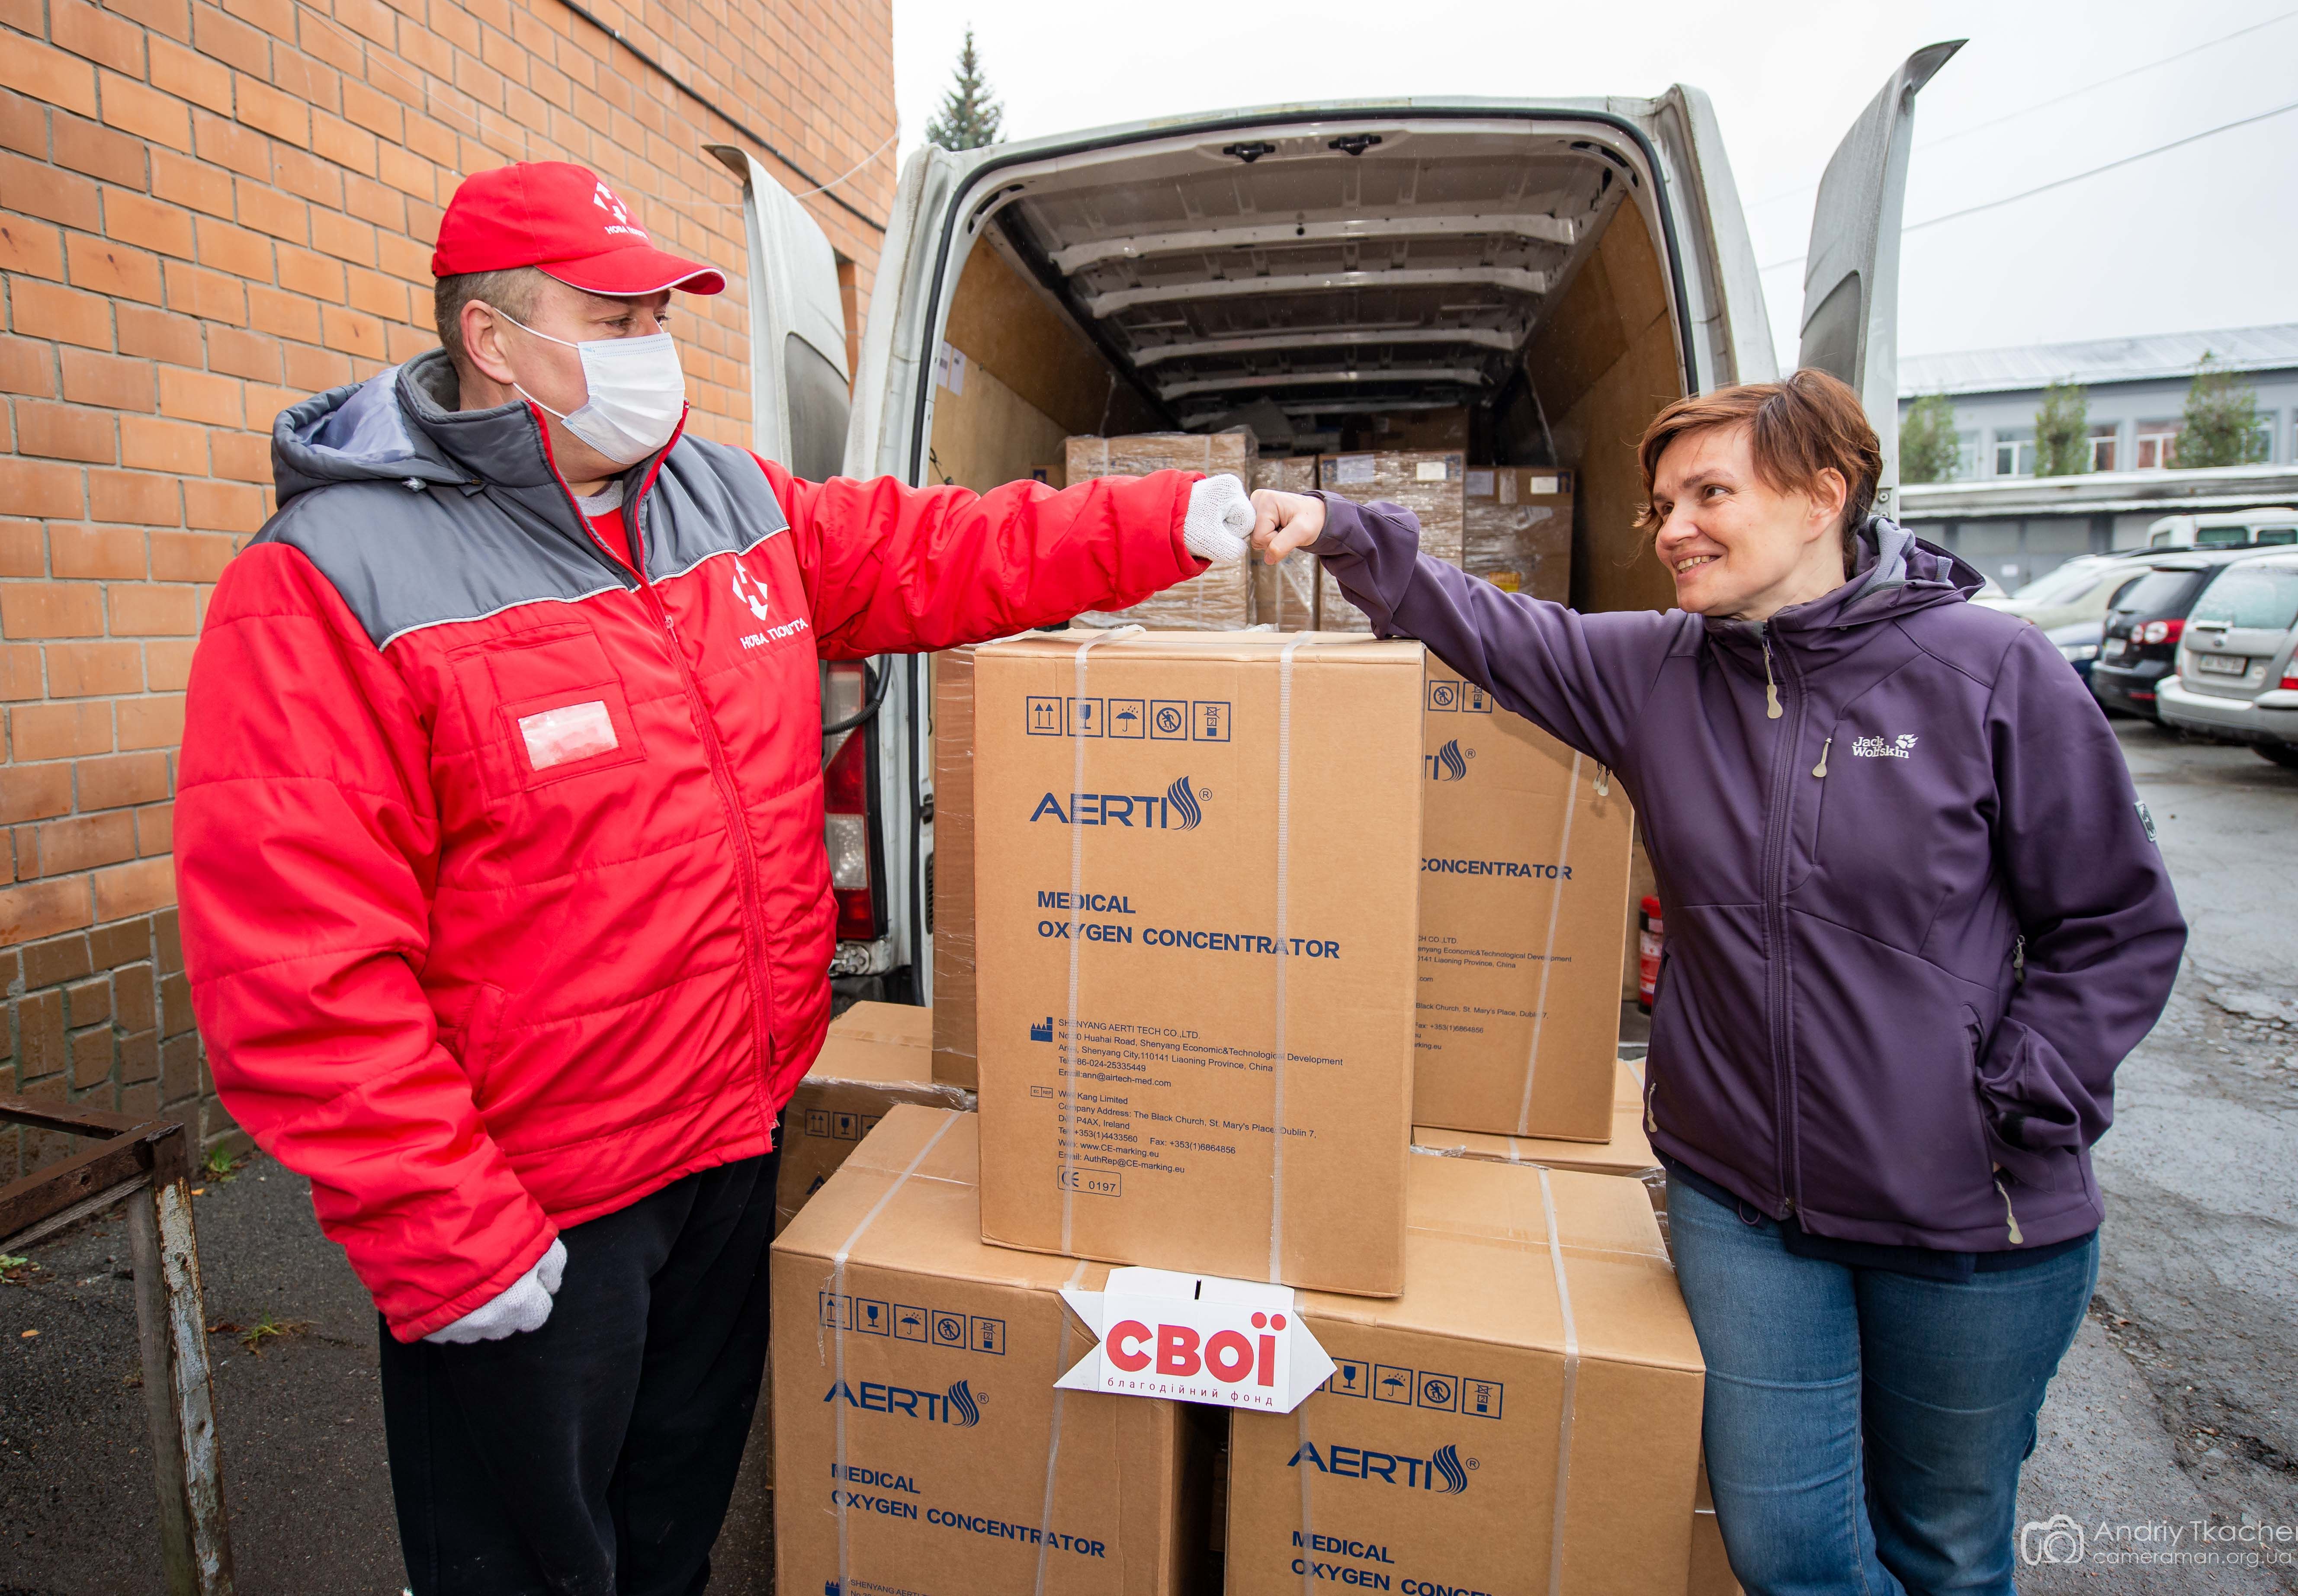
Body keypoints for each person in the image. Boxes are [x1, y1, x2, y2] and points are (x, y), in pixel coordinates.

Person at [174, 160, 1268, 1594]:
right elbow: (296, 961)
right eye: (615, 318)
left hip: (725, 1143)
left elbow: (942, 551)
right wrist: (447, 1233)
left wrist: (1171, 521)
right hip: (533, 1209)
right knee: (530, 1566)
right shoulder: (331, 574)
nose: (652, 350)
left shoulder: (725, 499)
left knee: (674, 1534)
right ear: (493, 339)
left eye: (659, 315)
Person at [1248, 370, 2187, 1596]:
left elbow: (2117, 917)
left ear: (1823, 497)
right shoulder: (1659, 674)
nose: (1672, 526)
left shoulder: (1989, 670)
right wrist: (1346, 530)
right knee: (1787, 1550)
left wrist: (2030, 1084)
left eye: (1708, 493)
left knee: (1946, 1549)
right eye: (1660, 505)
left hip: (1969, 1218)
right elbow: (1483, 622)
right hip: (1746, 1210)